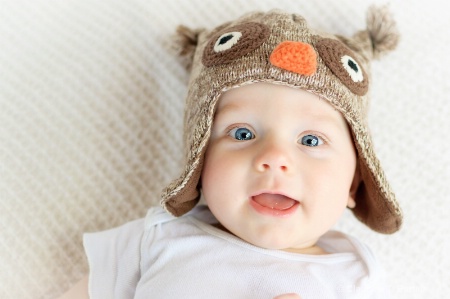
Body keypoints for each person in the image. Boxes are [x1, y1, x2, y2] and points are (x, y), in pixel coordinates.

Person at [59, 5, 402, 299]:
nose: (275, 158)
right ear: (199, 158)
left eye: (311, 140)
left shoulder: (357, 278)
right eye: (242, 133)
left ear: (355, 182)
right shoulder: (154, 240)